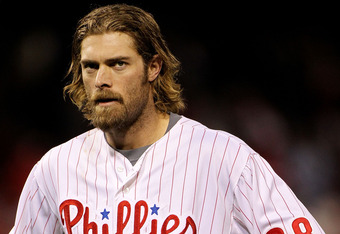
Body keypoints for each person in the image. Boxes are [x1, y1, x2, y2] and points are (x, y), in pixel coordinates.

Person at [11, 4, 324, 234]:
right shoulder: (55, 168)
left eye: (118, 64)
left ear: (153, 68)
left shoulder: (223, 157)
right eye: (90, 66)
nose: (100, 80)